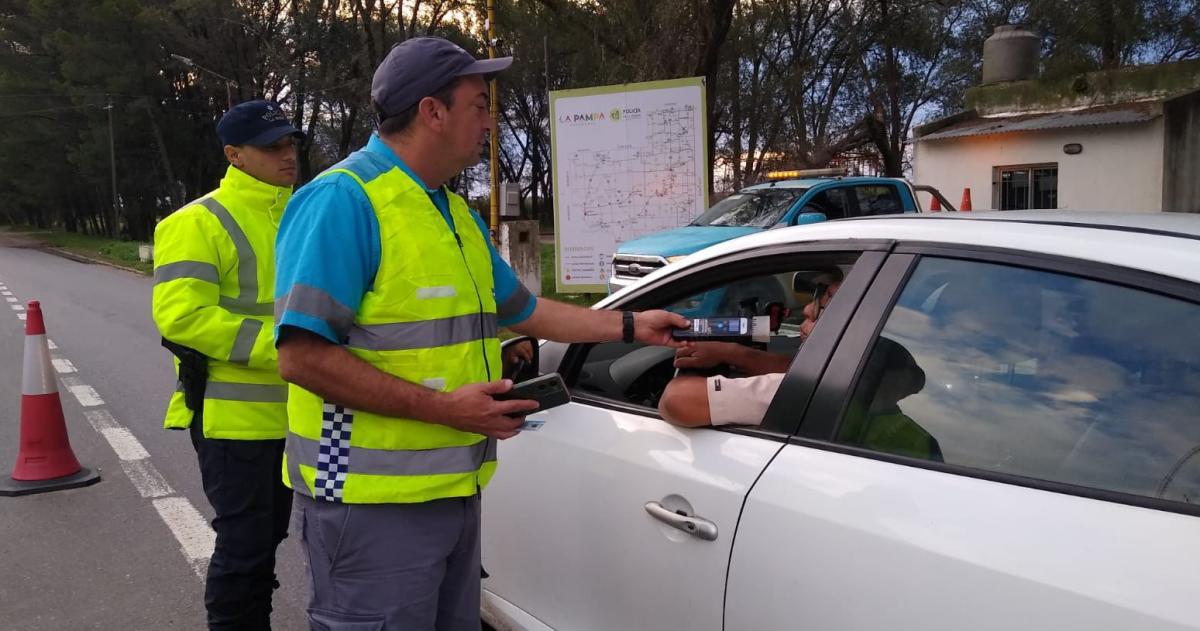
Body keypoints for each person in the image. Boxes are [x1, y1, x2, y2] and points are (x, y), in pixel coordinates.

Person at [272, 36, 688, 630]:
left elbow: (526, 310)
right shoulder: (344, 201)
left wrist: (630, 324)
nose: (490, 122)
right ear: (432, 112)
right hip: (367, 504)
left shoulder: (453, 212)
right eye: (478, 105)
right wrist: (446, 409)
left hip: (453, 490)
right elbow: (302, 358)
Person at [151, 100, 304, 629]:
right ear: (234, 155)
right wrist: (290, 351)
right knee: (245, 550)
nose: (288, 155)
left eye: (290, 143)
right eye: (272, 147)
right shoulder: (197, 221)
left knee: (274, 540)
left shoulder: (303, 213)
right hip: (234, 421)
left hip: (304, 414)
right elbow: (183, 316)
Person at [660, 271, 842, 426]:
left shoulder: (818, 390)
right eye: (821, 294)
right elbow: (797, 370)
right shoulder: (846, 371)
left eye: (830, 300)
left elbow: (678, 400)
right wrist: (730, 353)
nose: (808, 309)